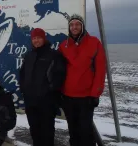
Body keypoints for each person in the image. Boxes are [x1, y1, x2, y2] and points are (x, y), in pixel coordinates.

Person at [58, 14, 107, 146]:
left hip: (86, 97)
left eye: (77, 24)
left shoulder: (94, 42)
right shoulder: (64, 46)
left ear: (82, 26)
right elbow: (59, 71)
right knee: (73, 131)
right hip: (68, 97)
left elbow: (100, 70)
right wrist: (59, 92)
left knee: (86, 132)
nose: (74, 27)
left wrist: (95, 94)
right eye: (72, 25)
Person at [19, 28, 67, 146]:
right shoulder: (29, 55)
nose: (36, 40)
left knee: (47, 132)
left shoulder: (54, 55)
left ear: (44, 39)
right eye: (34, 38)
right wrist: (24, 90)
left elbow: (59, 76)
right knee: (35, 131)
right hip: (31, 102)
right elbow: (22, 74)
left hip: (47, 102)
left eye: (39, 38)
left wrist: (49, 90)